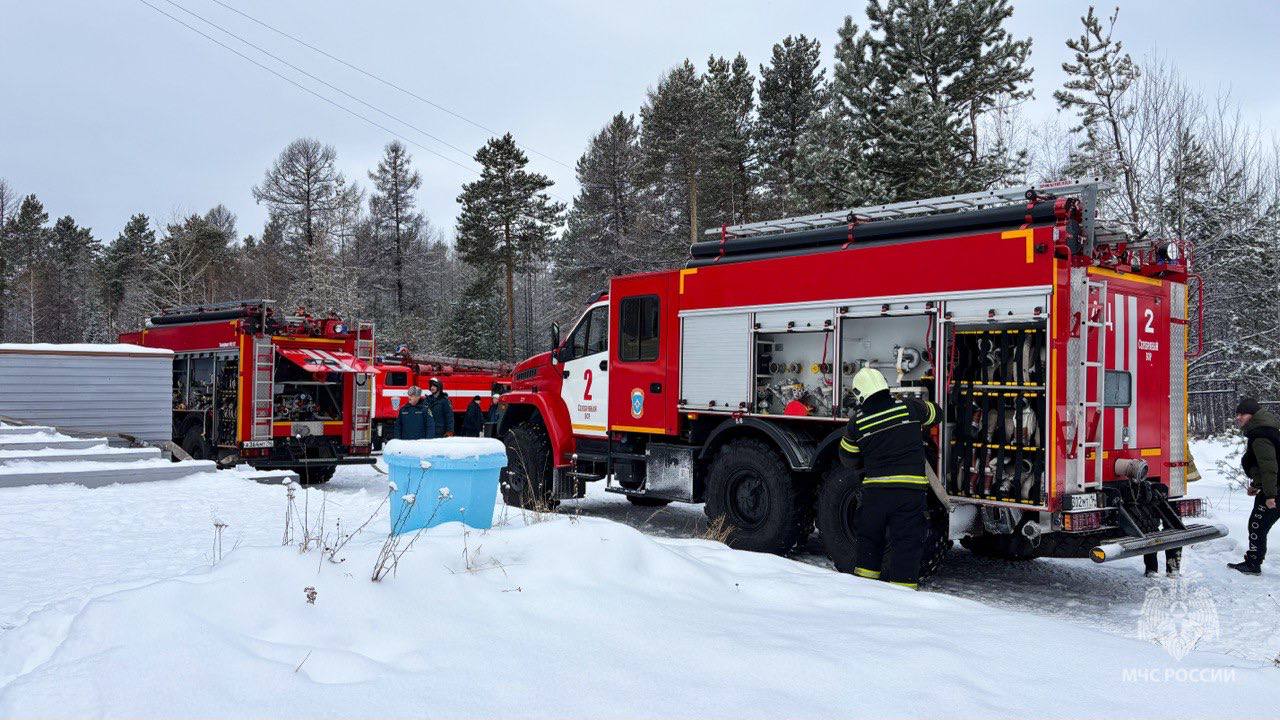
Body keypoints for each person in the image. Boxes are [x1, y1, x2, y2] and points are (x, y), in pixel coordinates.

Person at [838, 367, 941, 589]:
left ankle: (866, 590)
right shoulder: (910, 409)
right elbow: (936, 413)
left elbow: (847, 459)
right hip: (910, 493)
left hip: (875, 495)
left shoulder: (857, 424)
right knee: (906, 544)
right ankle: (902, 596)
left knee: (870, 541)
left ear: (860, 394)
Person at [1229, 397, 1280, 575]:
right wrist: (1257, 485)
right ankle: (1253, 561)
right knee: (1258, 524)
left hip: (1275, 489)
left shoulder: (1260, 436)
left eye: (1242, 414)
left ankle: (1253, 564)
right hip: (1271, 487)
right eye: (1237, 414)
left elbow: (1269, 467)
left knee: (1257, 524)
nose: (1238, 417)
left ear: (1252, 415)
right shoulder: (1265, 431)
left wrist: (1271, 495)